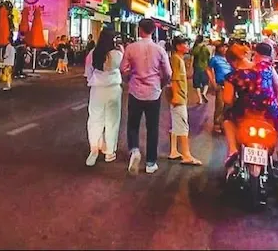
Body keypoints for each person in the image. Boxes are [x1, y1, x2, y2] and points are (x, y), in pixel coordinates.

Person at [222, 42, 278, 184]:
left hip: (245, 109)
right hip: (269, 108)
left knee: (227, 119)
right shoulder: (267, 66)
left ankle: (233, 150)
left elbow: (227, 100)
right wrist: (271, 99)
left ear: (232, 61)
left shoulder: (232, 76)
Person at [120, 18, 172, 175]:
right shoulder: (159, 50)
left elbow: (123, 68)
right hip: (153, 93)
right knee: (152, 128)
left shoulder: (131, 48)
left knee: (133, 125)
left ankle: (134, 150)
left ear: (139, 30)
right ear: (153, 31)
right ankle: (150, 162)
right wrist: (161, 84)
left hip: (136, 91)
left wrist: (130, 78)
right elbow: (168, 73)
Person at [85, 29, 123, 166]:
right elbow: (124, 68)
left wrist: (94, 80)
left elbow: (88, 73)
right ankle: (109, 151)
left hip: (97, 89)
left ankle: (94, 149)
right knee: (112, 121)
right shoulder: (117, 54)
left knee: (95, 119)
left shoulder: (93, 53)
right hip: (113, 89)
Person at [167, 36, 202, 166]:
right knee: (182, 124)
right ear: (178, 46)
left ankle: (174, 150)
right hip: (179, 97)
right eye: (185, 44)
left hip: (179, 96)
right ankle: (186, 155)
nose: (187, 46)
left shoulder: (178, 59)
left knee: (176, 124)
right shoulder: (176, 59)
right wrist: (176, 96)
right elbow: (174, 79)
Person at [209, 41, 233, 133]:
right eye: (222, 47)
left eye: (225, 47)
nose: (224, 49)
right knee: (220, 105)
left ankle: (224, 124)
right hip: (220, 84)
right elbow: (208, 69)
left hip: (230, 85)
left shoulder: (230, 59)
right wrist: (213, 82)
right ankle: (217, 124)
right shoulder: (215, 59)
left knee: (228, 106)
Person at [190, 35, 212, 105]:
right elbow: (209, 58)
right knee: (206, 82)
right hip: (205, 67)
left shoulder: (196, 48)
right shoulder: (206, 48)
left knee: (197, 84)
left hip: (197, 68)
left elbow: (192, 58)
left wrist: (190, 67)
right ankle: (204, 93)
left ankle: (200, 100)